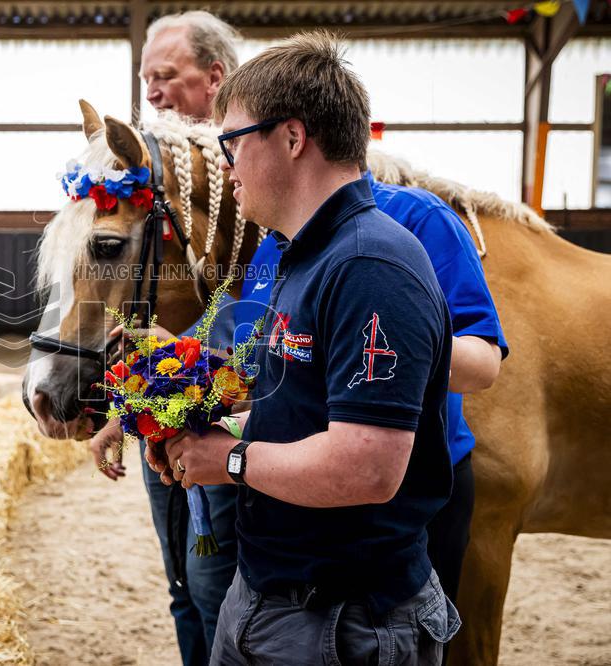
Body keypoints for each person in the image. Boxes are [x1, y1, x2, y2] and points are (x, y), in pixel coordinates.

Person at [149, 32, 460, 664]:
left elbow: (368, 467)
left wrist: (230, 460)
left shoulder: (370, 265)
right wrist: (190, 424)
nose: (226, 164)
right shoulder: (299, 256)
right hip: (272, 595)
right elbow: (299, 408)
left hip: (343, 621)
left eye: (232, 142)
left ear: (292, 138)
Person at [232, 169, 506, 618]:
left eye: (234, 142)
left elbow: (484, 364)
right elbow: (257, 359)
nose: (228, 163)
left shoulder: (419, 218)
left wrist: (360, 339)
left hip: (409, 487)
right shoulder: (274, 242)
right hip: (299, 483)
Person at [88, 12, 242, 665]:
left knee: (212, 588)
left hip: (224, 422)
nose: (151, 91)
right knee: (182, 588)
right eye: (145, 78)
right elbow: (157, 319)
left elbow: (240, 318)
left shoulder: (246, 197)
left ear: (215, 77)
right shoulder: (159, 192)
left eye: (165, 75)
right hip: (164, 416)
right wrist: (124, 414)